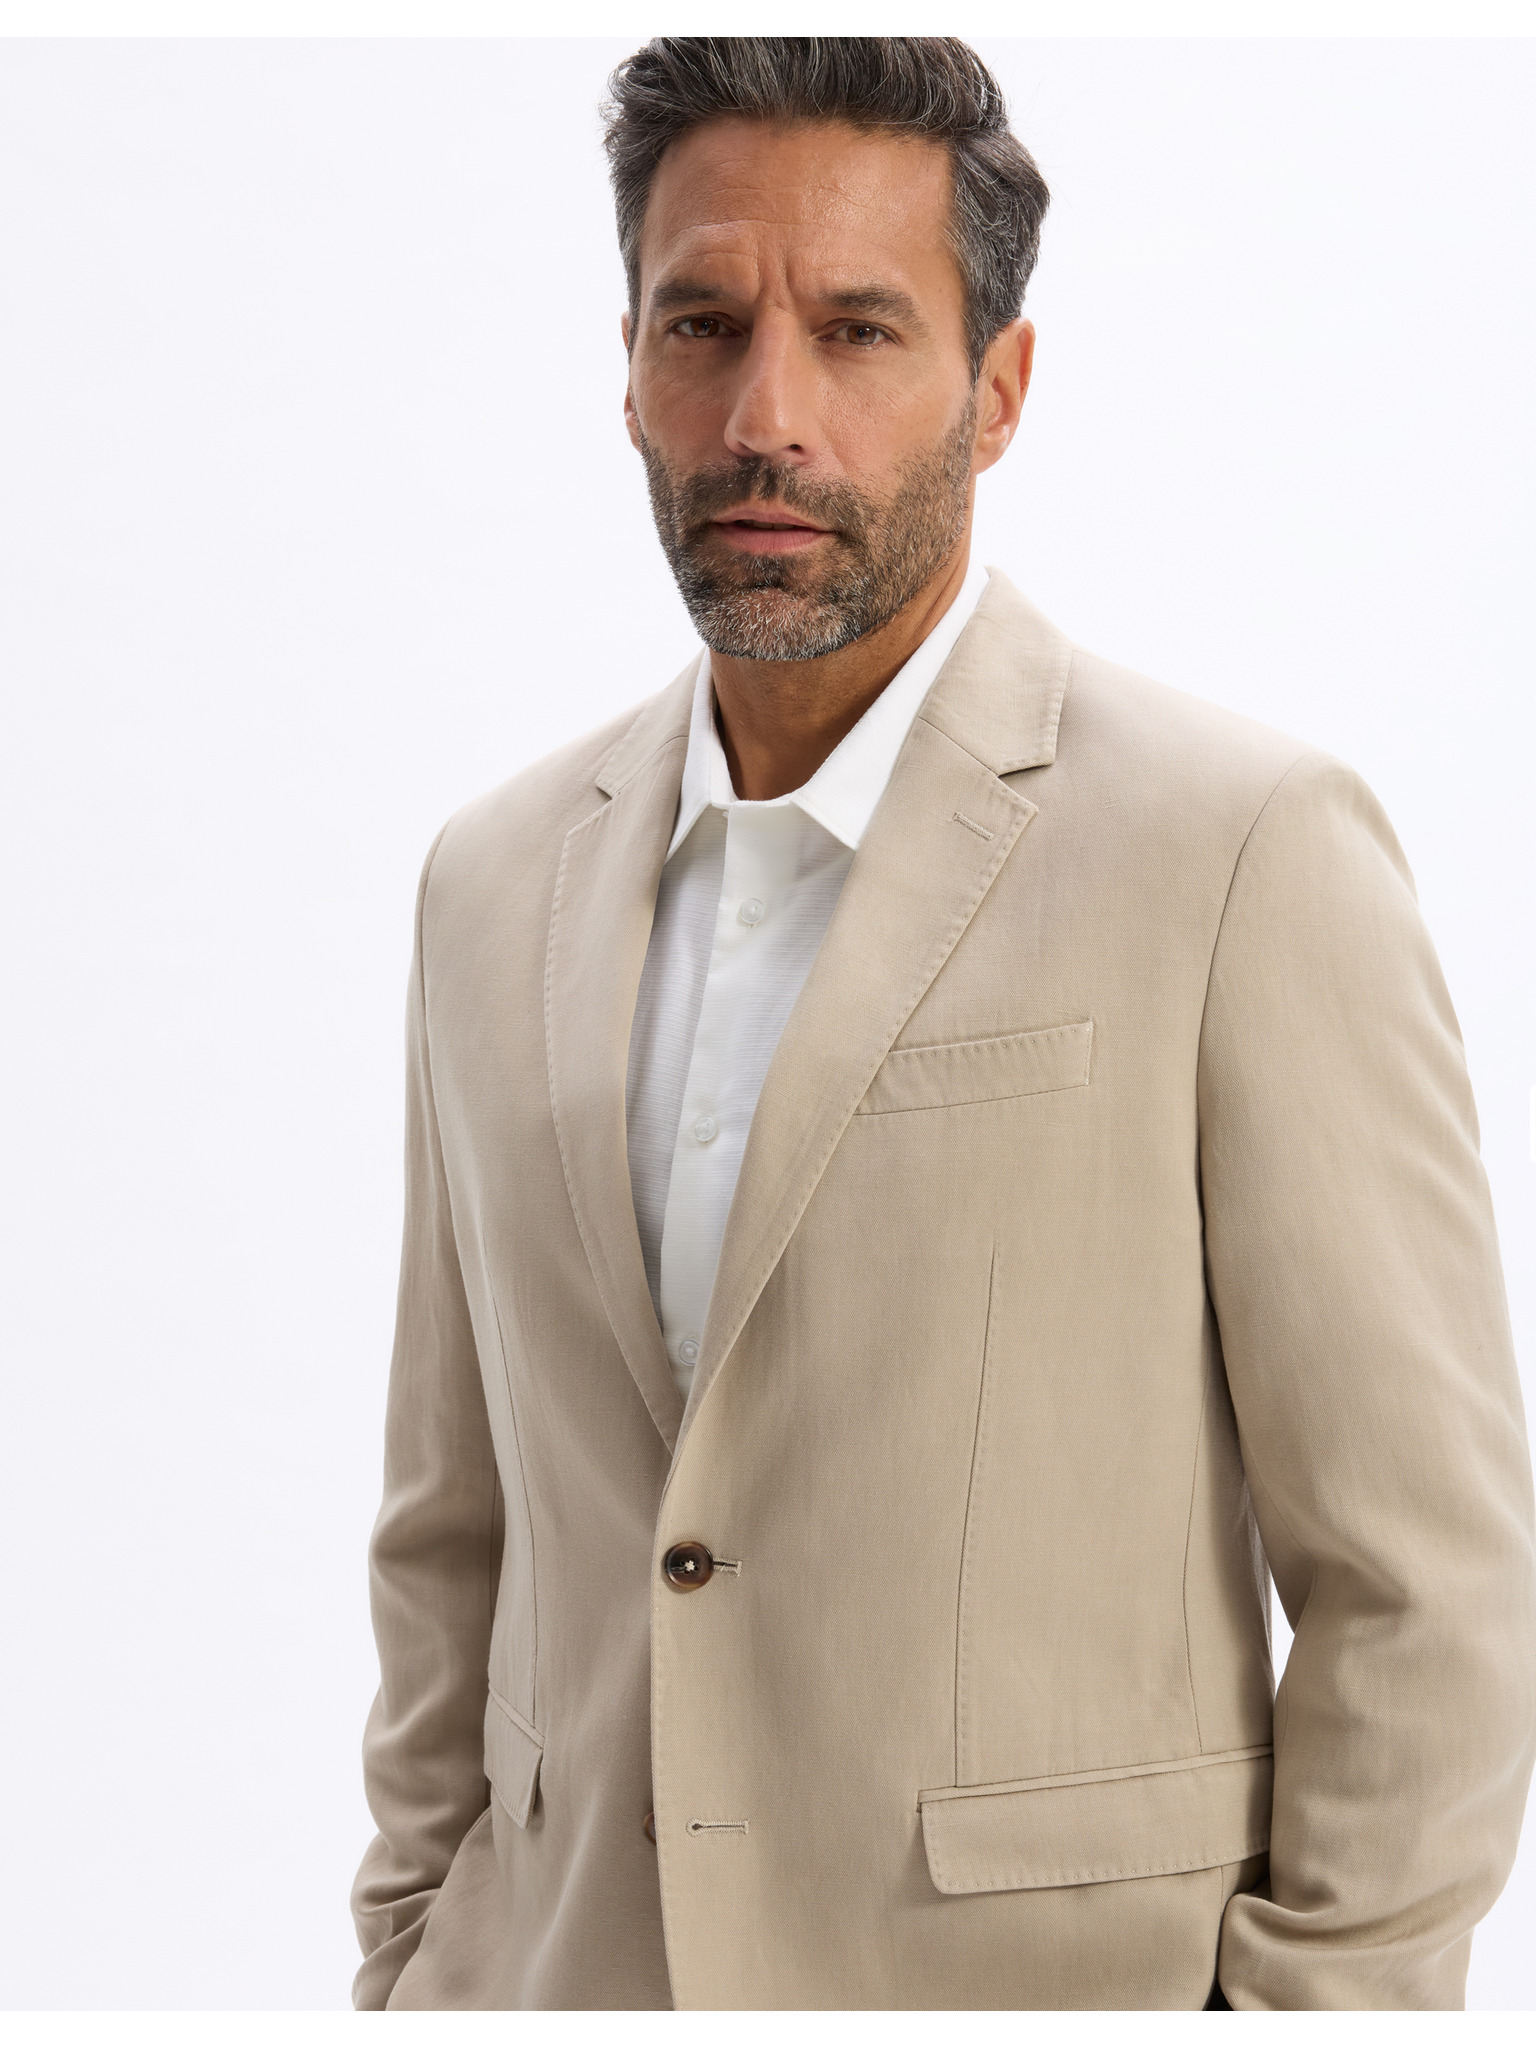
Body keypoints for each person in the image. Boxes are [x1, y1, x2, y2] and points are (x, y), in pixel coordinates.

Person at [349, 36, 1535, 2011]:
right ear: (628, 368)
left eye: (859, 331)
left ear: (998, 392)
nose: (767, 416)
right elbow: (447, 1530)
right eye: (703, 325)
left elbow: (1430, 1585)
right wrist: (414, 1963)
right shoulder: (489, 886)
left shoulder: (1241, 854)